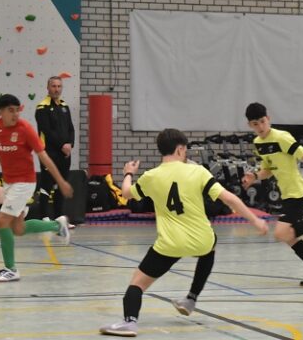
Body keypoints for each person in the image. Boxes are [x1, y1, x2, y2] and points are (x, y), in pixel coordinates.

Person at [100, 128, 269, 337]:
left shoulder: (151, 176)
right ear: (180, 149)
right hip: (201, 240)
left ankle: (130, 322)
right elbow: (229, 199)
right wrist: (255, 220)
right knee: (211, 244)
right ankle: (191, 298)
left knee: (137, 283)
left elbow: (126, 193)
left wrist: (128, 173)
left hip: (170, 244)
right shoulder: (198, 172)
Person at [242, 103, 303, 286]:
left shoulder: (282, 137)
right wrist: (254, 176)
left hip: (298, 191)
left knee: (281, 233)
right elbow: (268, 170)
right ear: (250, 125)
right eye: (255, 124)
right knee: (289, 237)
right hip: (286, 194)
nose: (260, 127)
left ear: (268, 119)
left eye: (263, 121)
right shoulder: (258, 143)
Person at [0, 94, 73, 282]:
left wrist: (61, 181)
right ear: (1, 112)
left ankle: (10, 269)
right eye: (10, 111)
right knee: (18, 228)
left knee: (2, 221)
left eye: (17, 110)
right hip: (8, 183)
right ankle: (57, 225)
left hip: (24, 182)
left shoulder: (25, 129)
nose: (15, 114)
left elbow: (44, 157)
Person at [35, 76, 75, 221]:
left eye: (59, 86)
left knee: (61, 184)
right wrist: (61, 145)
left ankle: (58, 217)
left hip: (65, 153)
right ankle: (44, 217)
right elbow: (47, 131)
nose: (56, 89)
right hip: (49, 153)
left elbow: (71, 128)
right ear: (48, 88)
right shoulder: (42, 107)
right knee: (47, 184)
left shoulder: (64, 106)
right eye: (53, 86)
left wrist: (70, 144)